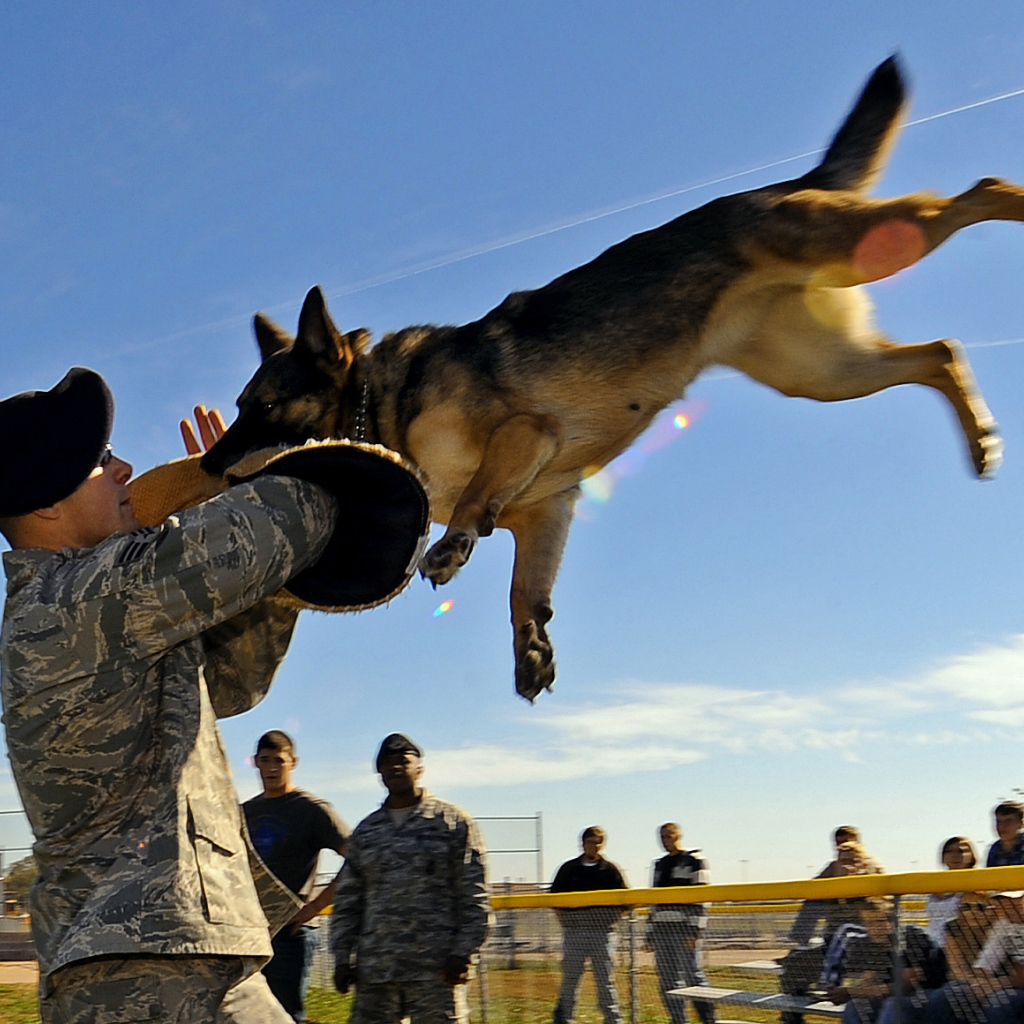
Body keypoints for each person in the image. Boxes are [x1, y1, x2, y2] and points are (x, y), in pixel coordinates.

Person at [0, 370, 338, 1023]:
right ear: (48, 502)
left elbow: (234, 681)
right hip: (146, 975)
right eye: (101, 461)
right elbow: (299, 516)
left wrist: (239, 505)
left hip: (180, 963)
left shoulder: (97, 605)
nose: (126, 467)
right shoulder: (81, 596)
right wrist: (270, 465)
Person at [330, 733, 490, 1024]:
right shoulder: (366, 832)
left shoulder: (452, 822)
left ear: (420, 768)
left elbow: (474, 894)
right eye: (388, 764)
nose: (396, 768)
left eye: (404, 761)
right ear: (379, 773)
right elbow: (348, 901)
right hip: (377, 971)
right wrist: (342, 958)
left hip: (437, 970)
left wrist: (464, 953)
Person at [243, 729, 350, 1023]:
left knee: (287, 1016)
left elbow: (357, 858)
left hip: (291, 934)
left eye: (279, 760)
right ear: (255, 763)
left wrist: (314, 907)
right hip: (249, 932)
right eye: (265, 760)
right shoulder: (244, 812)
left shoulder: (311, 810)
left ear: (293, 762)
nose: (272, 768)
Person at [549, 826, 629, 1024]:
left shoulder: (610, 870)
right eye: (591, 842)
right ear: (583, 844)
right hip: (574, 934)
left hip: (602, 935)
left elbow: (626, 901)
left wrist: (607, 921)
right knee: (570, 980)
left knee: (605, 981)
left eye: (598, 842)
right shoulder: (568, 869)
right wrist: (567, 922)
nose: (595, 846)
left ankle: (612, 1020)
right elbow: (554, 900)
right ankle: (564, 1019)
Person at [649, 823, 715, 1024]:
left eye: (669, 836)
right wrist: (649, 932)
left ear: (679, 836)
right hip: (662, 930)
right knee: (668, 979)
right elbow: (654, 899)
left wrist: (696, 931)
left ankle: (708, 1019)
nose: (666, 840)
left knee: (693, 976)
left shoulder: (694, 860)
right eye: (662, 837)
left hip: (684, 930)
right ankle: (678, 1020)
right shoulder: (659, 864)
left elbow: (702, 897)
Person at [789, 827, 884, 946]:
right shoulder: (835, 865)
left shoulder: (870, 864)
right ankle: (800, 943)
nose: (842, 846)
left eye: (846, 842)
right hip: (838, 915)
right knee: (813, 902)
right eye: (838, 843)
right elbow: (814, 885)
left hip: (864, 914)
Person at [986, 803, 1024, 868]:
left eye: (1008, 822)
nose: (1001, 826)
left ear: (1021, 824)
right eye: (999, 822)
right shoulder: (995, 849)